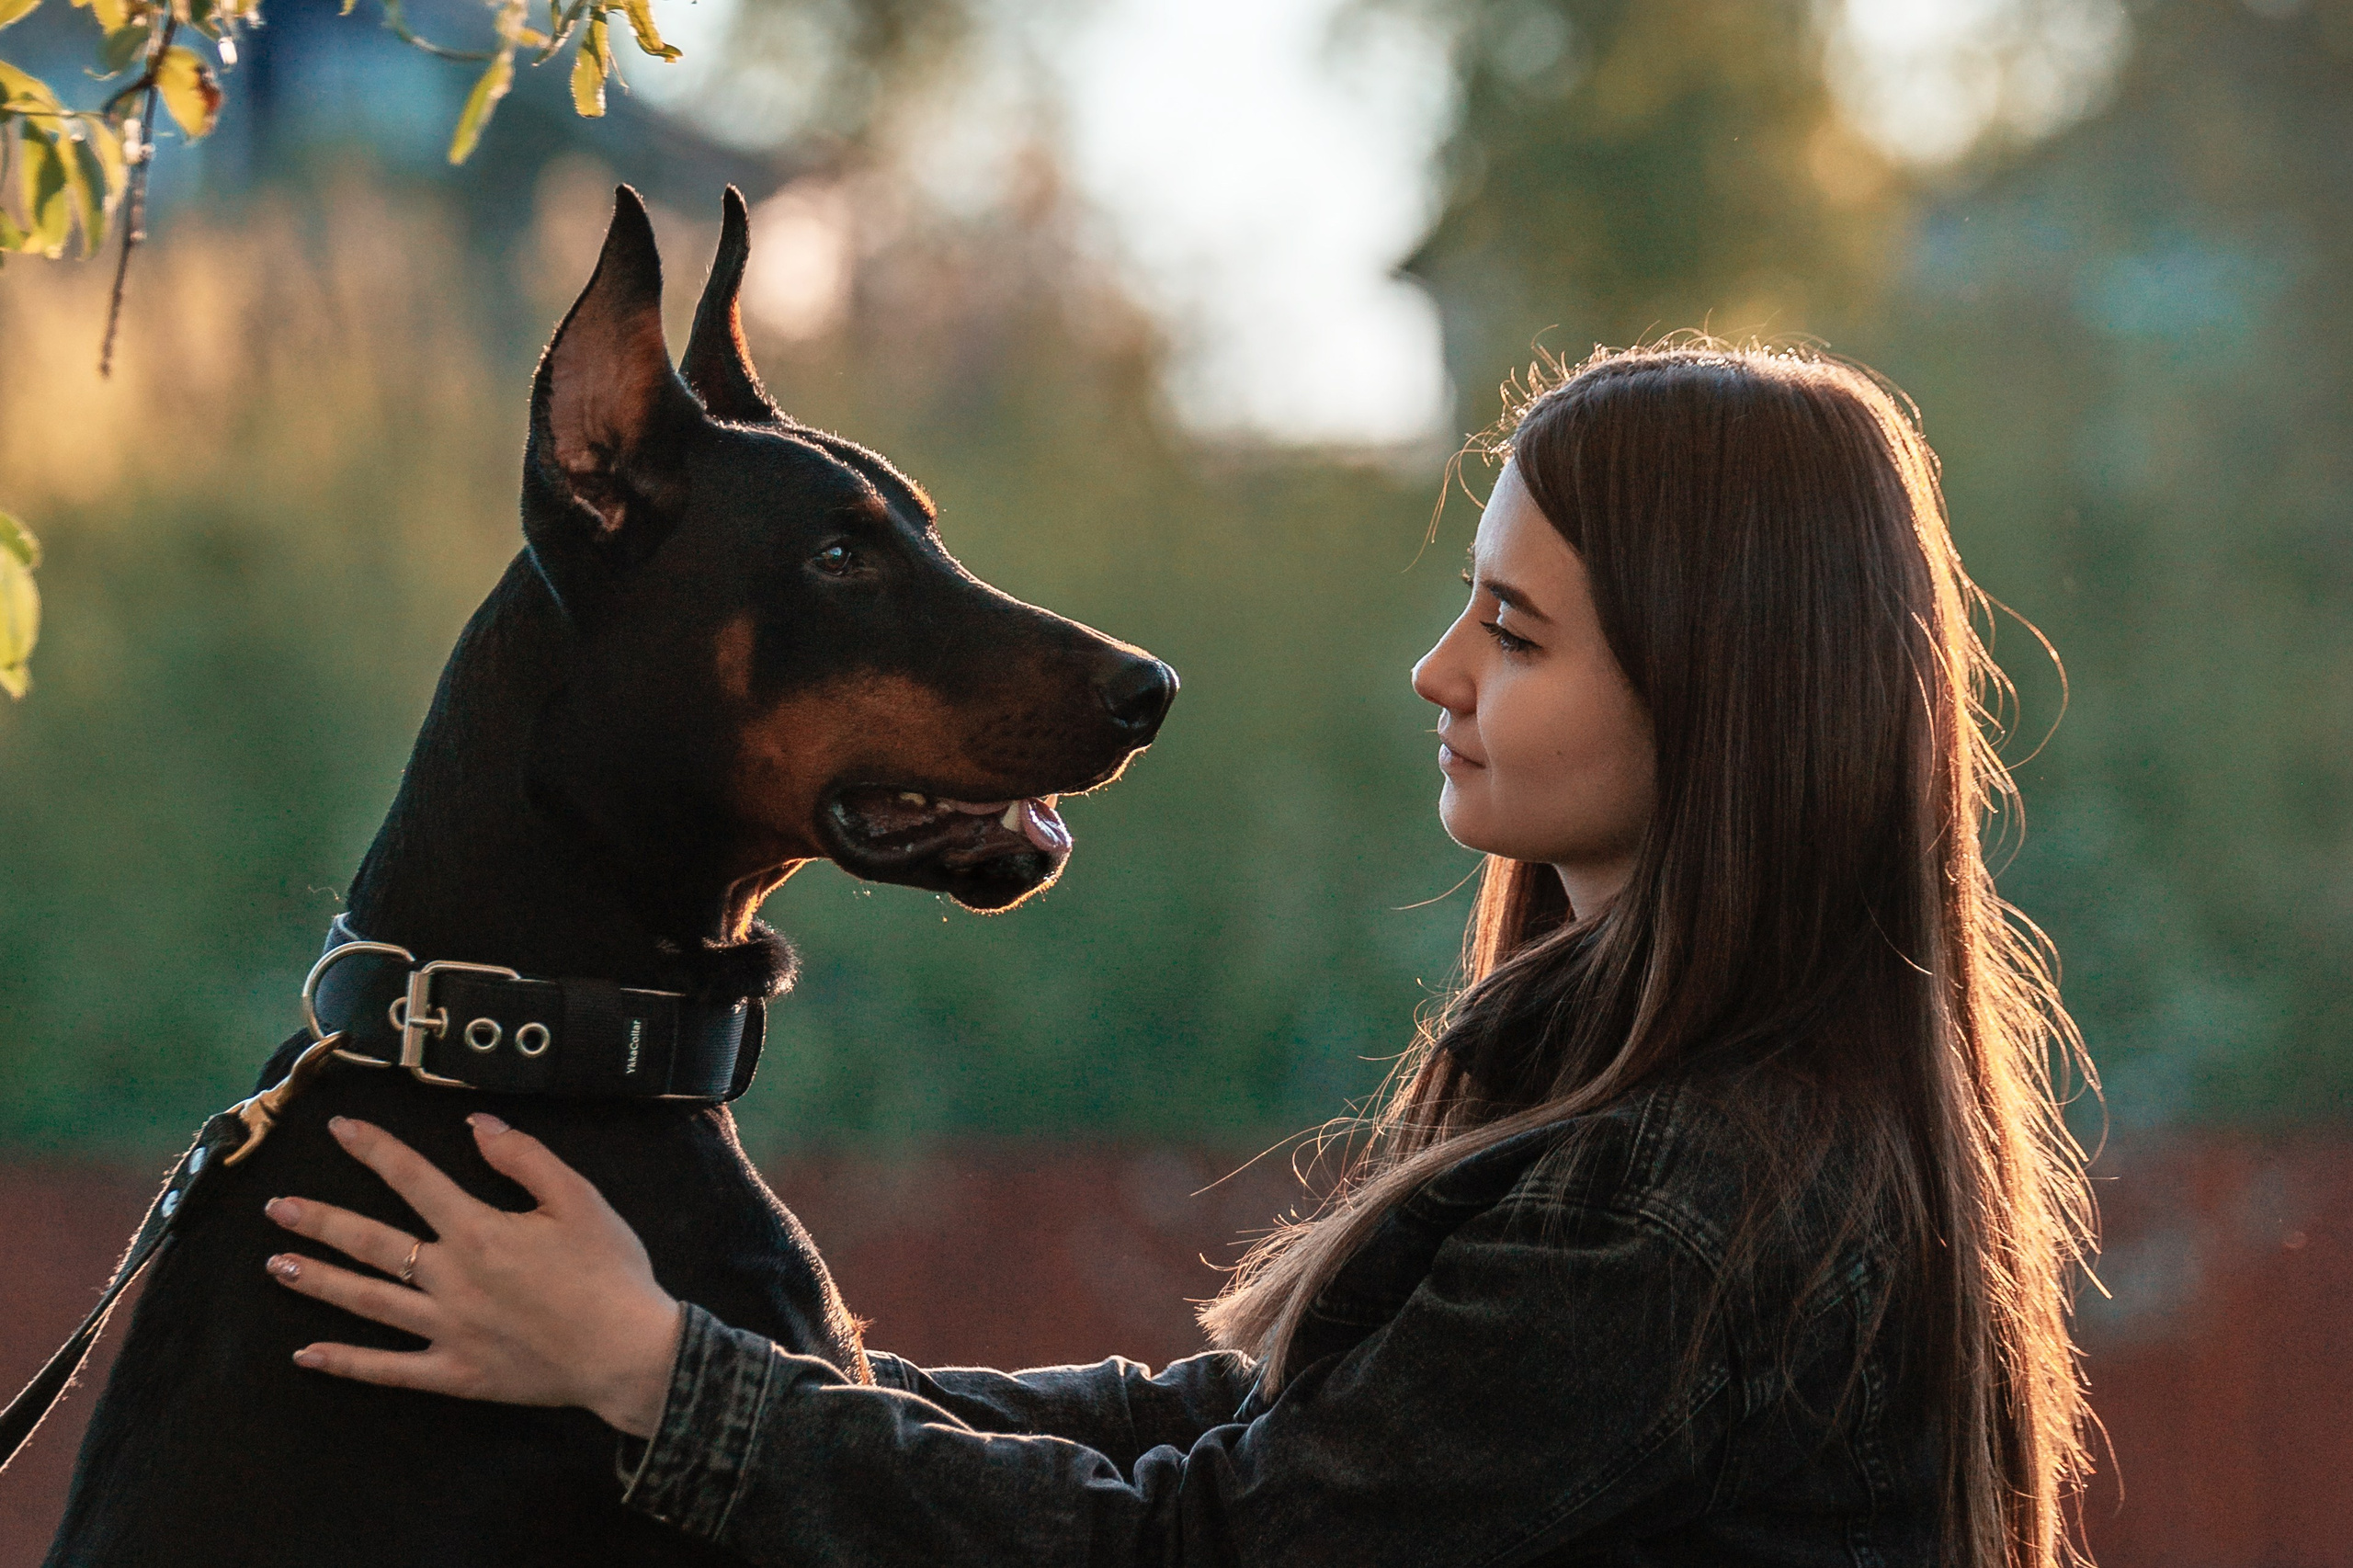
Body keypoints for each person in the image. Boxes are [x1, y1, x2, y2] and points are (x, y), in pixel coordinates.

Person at [259, 341, 2097, 1567]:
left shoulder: (1694, 1198)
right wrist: (708, 1361)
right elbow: (1222, 1424)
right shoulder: (1644, 1113)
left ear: (1720, 695)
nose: (1436, 672)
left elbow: (1200, 1544)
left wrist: (672, 1383)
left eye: (1515, 632)